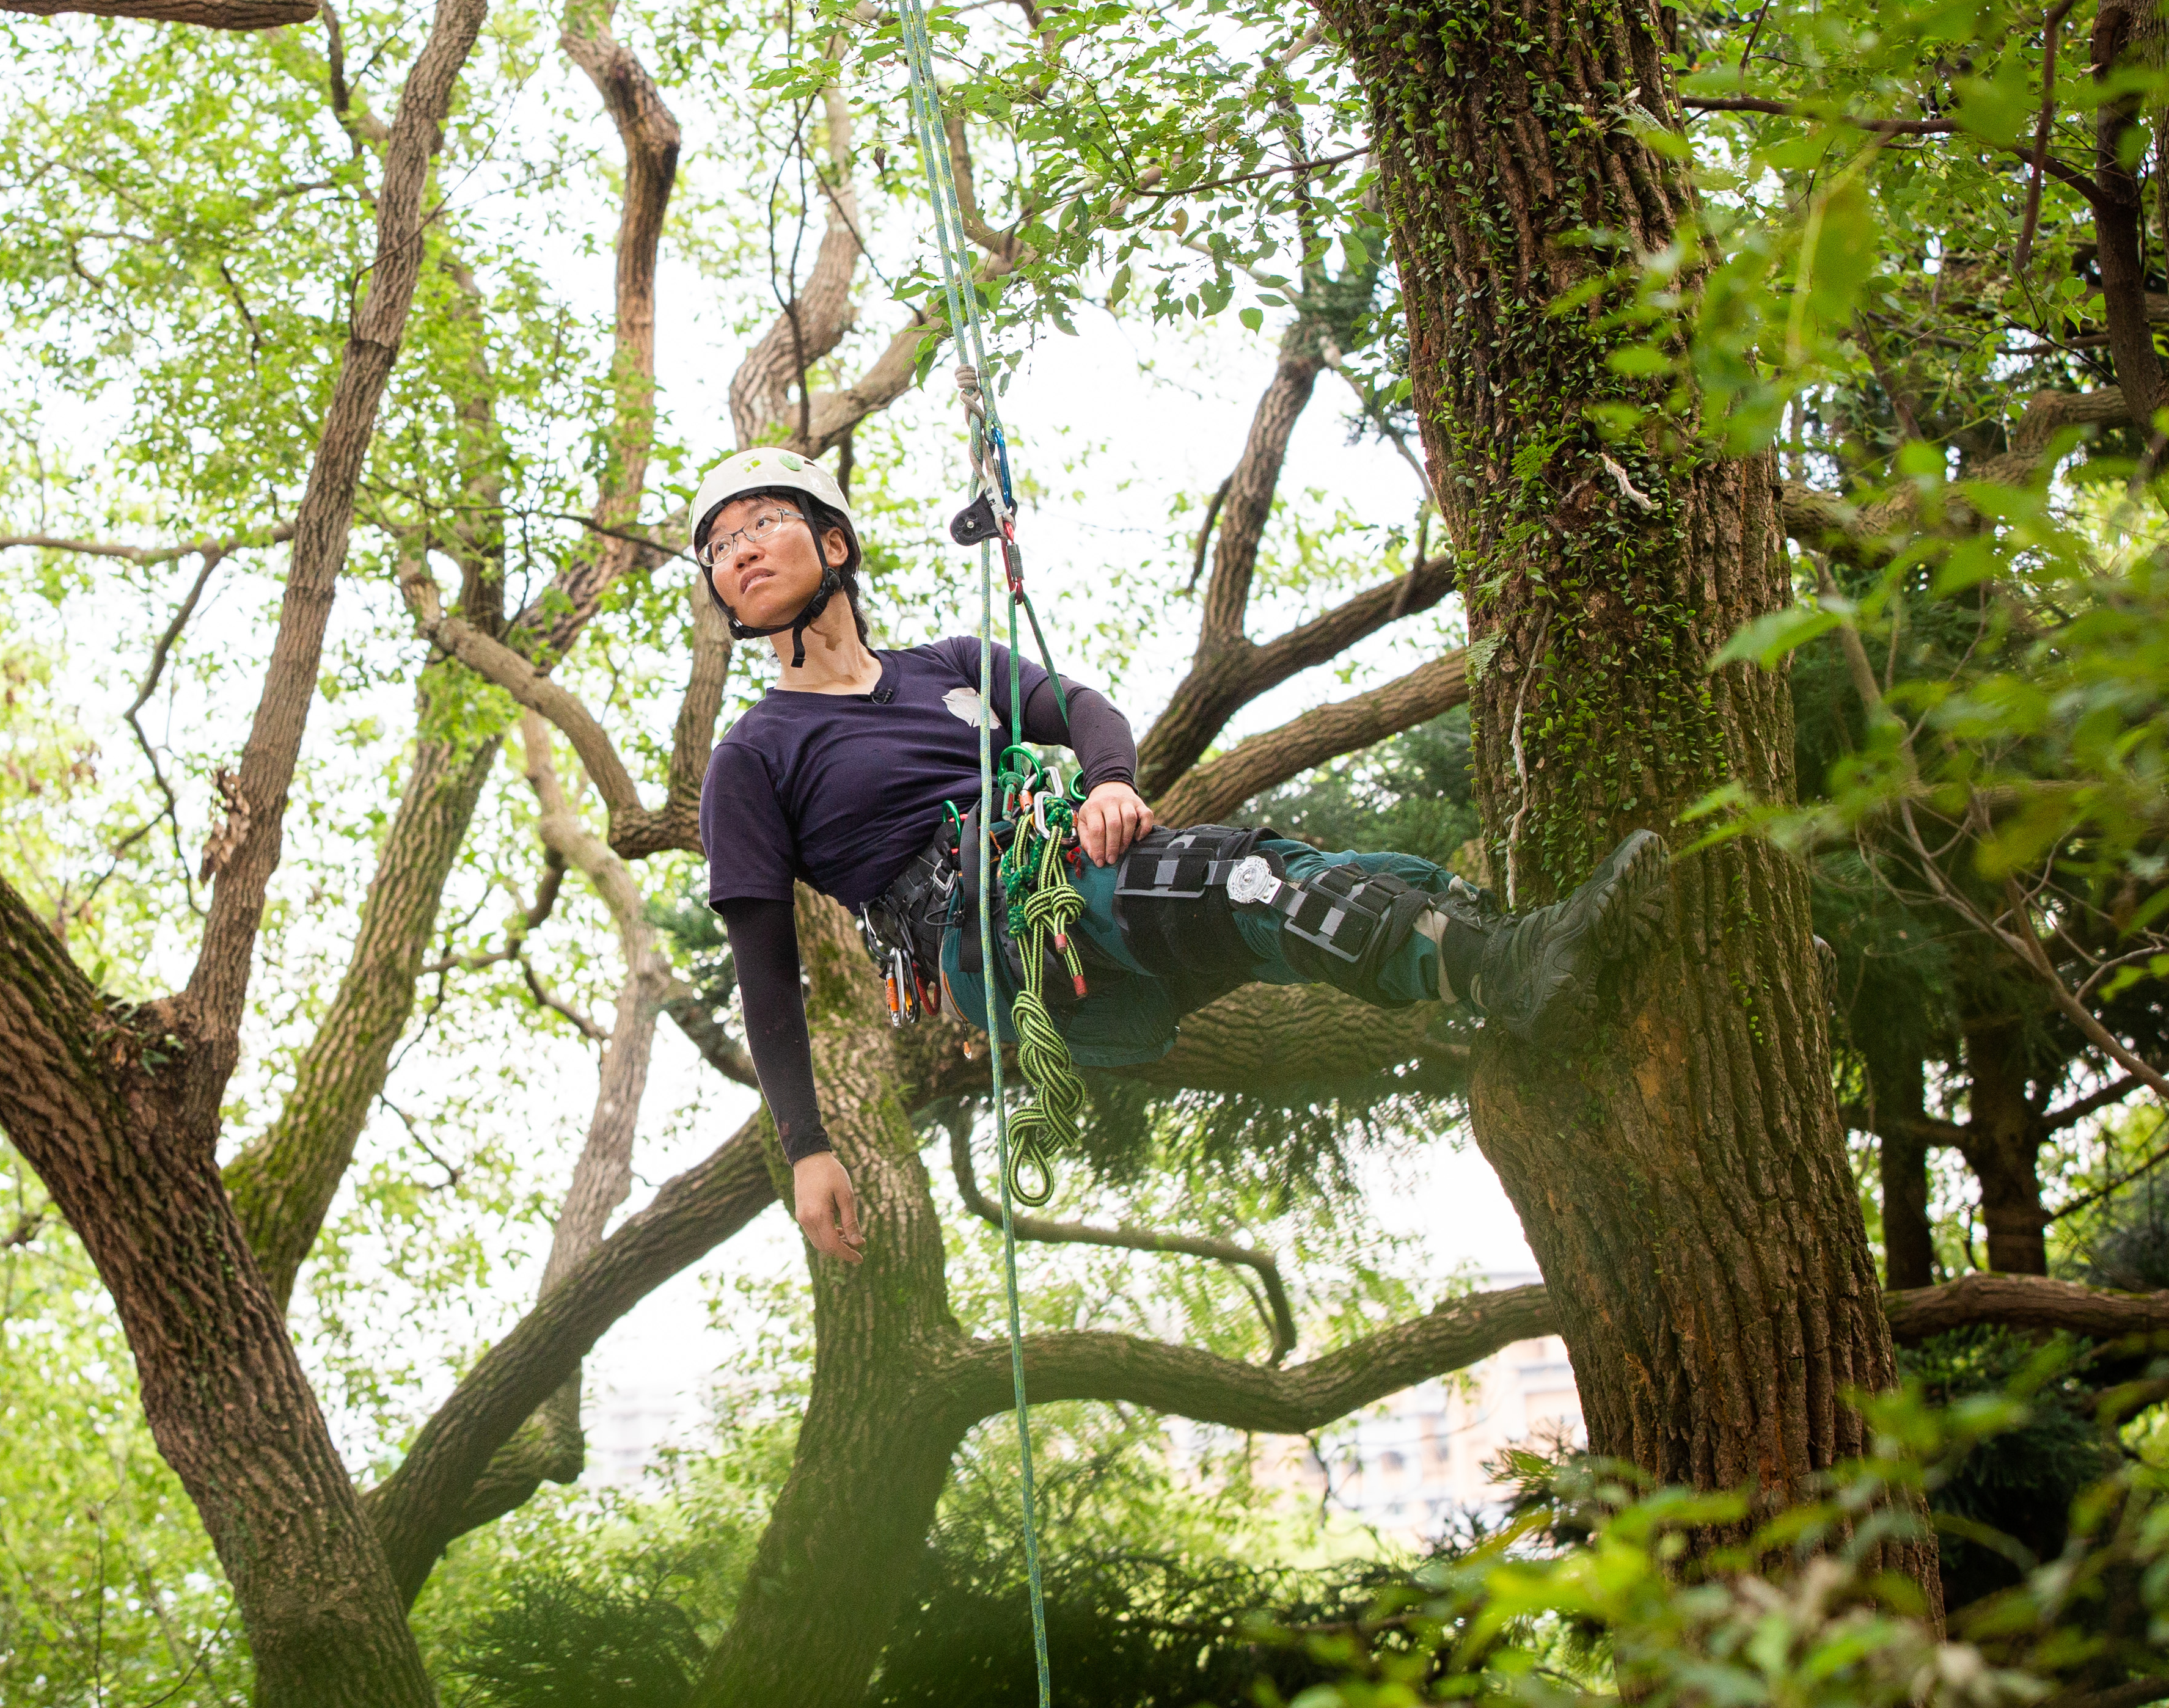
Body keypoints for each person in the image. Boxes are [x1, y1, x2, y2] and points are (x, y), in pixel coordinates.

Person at [689, 447, 1662, 1267]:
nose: (739, 551)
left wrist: (1111, 780)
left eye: (759, 523)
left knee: (1274, 881)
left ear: (833, 541)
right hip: (991, 932)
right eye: (720, 547)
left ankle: (1512, 960)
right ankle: (1514, 966)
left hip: (1067, 873)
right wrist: (807, 1144)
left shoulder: (947, 667)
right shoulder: (754, 756)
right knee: (1243, 879)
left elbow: (1082, 709)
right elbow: (764, 969)